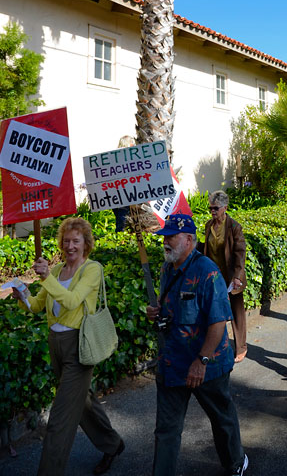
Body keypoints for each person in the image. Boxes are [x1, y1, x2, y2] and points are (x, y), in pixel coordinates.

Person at [11, 217, 124, 476]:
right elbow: (38, 306)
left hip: (78, 347)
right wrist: (22, 296)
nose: (70, 245)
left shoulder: (91, 269)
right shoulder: (58, 270)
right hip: (56, 345)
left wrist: (45, 278)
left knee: (59, 421)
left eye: (76, 240)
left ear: (86, 243)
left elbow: (72, 301)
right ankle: (113, 444)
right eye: (66, 240)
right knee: (82, 402)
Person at [147, 213, 248, 476]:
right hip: (172, 362)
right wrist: (157, 311)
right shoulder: (166, 268)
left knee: (221, 418)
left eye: (171, 237)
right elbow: (170, 306)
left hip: (207, 365)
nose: (165, 242)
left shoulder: (208, 272)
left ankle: (235, 463)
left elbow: (217, 323)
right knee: (166, 428)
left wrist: (201, 361)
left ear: (189, 240)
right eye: (164, 237)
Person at [200, 190, 248, 363]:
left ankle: (241, 347)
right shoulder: (208, 225)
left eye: (216, 208)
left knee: (236, 312)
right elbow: (205, 247)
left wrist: (237, 276)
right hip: (215, 277)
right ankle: (219, 346)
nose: (212, 212)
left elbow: (240, 252)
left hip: (231, 275)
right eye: (210, 208)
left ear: (225, 208)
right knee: (215, 312)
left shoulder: (234, 226)